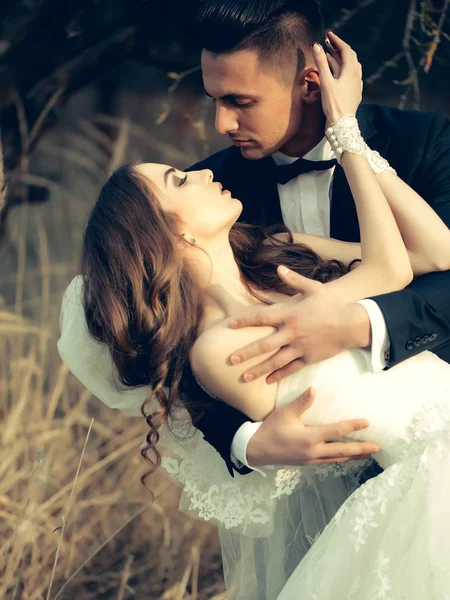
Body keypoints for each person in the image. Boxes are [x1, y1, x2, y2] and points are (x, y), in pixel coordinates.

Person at [58, 32, 450, 598]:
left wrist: (347, 134)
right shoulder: (218, 346)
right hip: (424, 483)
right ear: (170, 233)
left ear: (309, 85)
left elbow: (420, 261)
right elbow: (186, 392)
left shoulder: (280, 250)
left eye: (238, 101)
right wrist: (247, 442)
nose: (207, 147)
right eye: (177, 180)